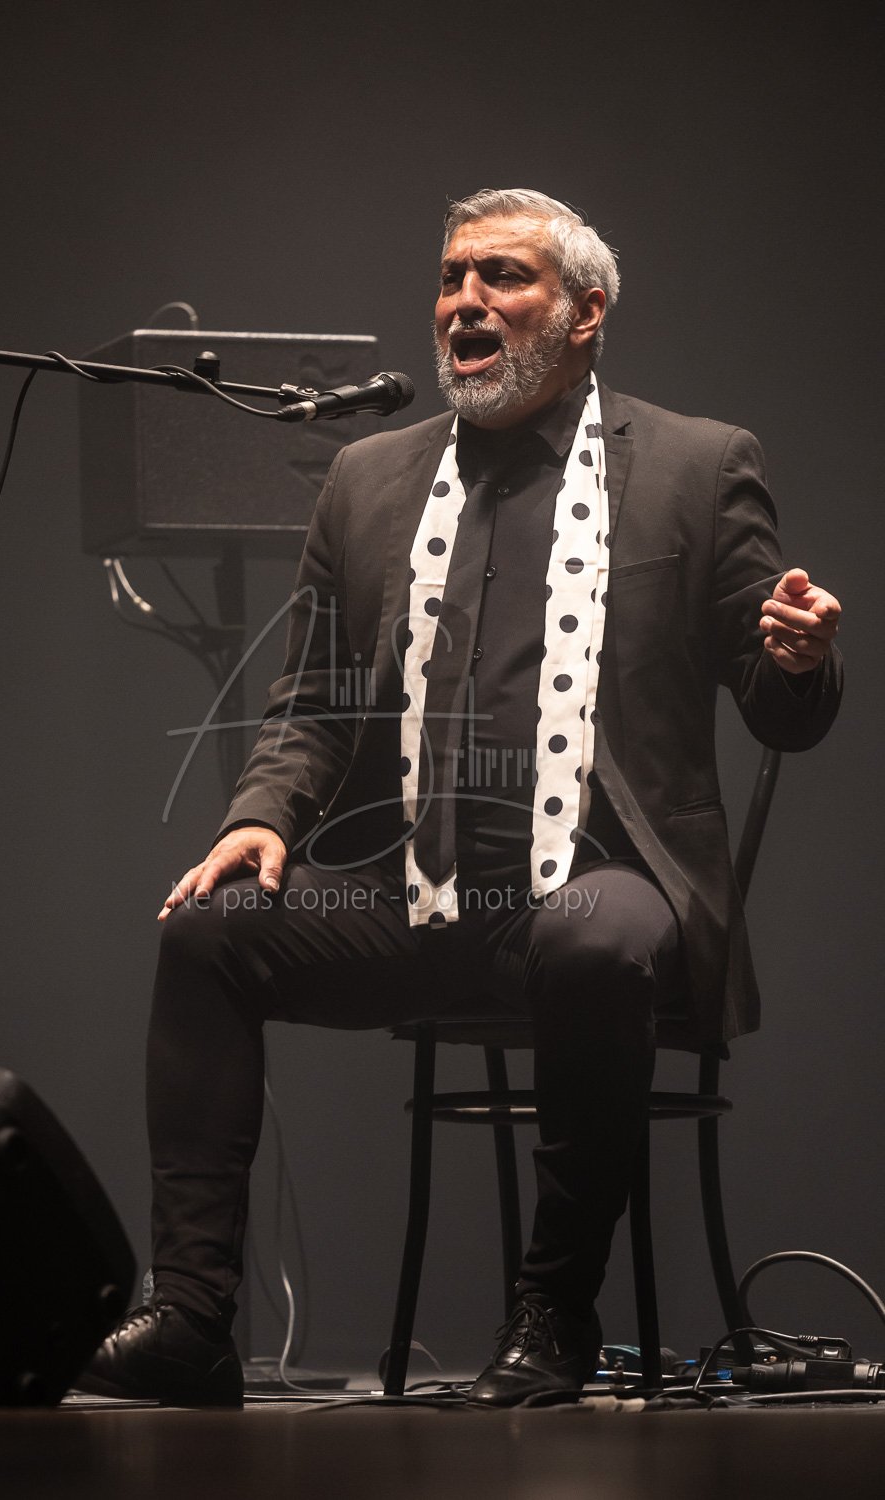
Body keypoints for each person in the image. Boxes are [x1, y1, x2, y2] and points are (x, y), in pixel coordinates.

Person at [78, 188, 842, 1407]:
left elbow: (780, 709)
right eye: (450, 279)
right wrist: (261, 817)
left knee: (591, 938)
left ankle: (553, 1312)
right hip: (419, 895)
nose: (464, 304)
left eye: (502, 277)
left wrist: (796, 659)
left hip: (606, 888)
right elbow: (312, 699)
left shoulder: (698, 466)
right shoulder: (368, 477)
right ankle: (192, 1317)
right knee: (209, 932)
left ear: (585, 311)